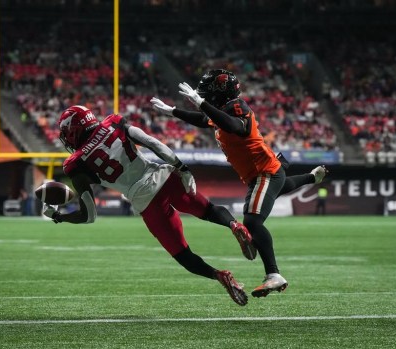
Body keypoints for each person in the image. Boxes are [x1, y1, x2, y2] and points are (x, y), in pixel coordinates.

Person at [42, 105, 254, 306]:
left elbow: (89, 216)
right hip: (164, 178)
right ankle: (235, 225)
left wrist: (60, 216)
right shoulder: (114, 123)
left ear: (74, 130)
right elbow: (153, 143)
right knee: (208, 210)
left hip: (145, 201)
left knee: (183, 254)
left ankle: (220, 275)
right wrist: (181, 166)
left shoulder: (75, 164)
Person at [150, 69, 328, 298]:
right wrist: (173, 111)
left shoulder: (237, 106)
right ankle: (312, 177)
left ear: (219, 92)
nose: (202, 94)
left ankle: (273, 274)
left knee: (252, 221)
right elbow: (205, 120)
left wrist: (201, 102)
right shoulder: (220, 111)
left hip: (265, 172)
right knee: (279, 188)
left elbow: (236, 126)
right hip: (262, 174)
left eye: (206, 92)